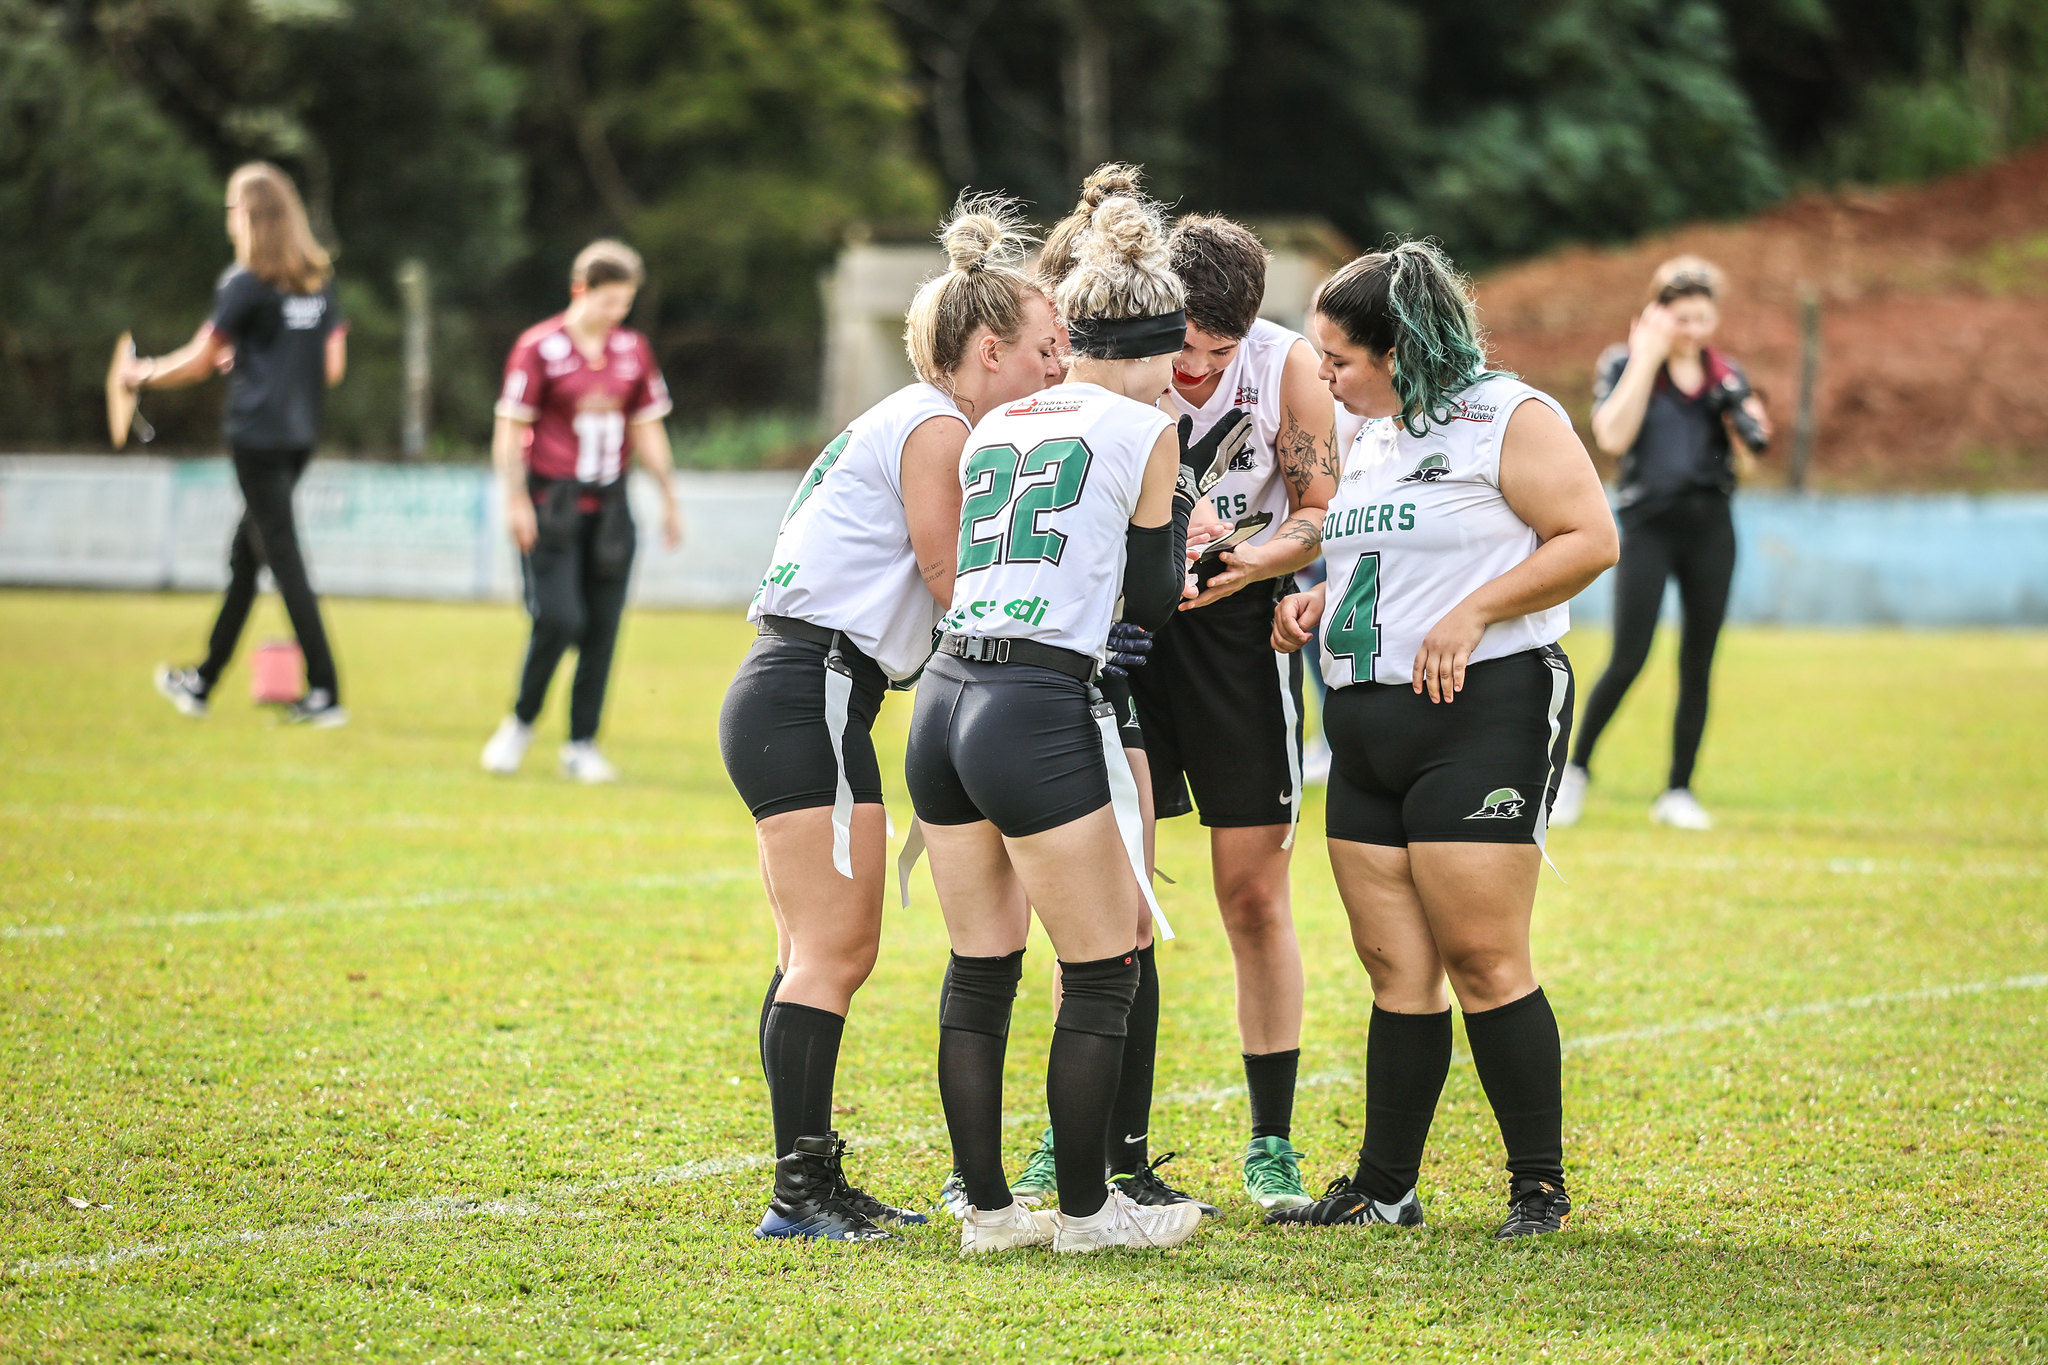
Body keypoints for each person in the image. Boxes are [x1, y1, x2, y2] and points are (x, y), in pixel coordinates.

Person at [718, 198, 1063, 1242]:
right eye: (1046, 350)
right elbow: (948, 573)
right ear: (988, 349)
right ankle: (798, 1192)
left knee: (810, 950)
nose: (1057, 369)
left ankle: (808, 1179)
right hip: (810, 686)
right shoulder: (937, 423)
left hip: (807, 688)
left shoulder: (917, 416)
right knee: (834, 950)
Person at [1267, 241, 1618, 1238]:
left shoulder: (1510, 415)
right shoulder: (1370, 431)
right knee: (1393, 969)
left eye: (1337, 359)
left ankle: (1536, 1188)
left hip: (1481, 710)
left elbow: (1587, 540)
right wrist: (1317, 603)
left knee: (1481, 956)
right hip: (1363, 723)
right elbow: (1387, 553)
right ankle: (1383, 1188)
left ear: (1396, 345)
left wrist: (1470, 615)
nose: (1324, 378)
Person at [905, 187, 1225, 1254]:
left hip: (946, 696)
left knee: (978, 965)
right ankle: (1088, 1213)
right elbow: (1147, 596)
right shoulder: (1148, 427)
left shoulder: (1000, 417)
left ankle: (989, 1212)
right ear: (1166, 344)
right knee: (1099, 967)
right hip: (1037, 704)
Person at [1131, 203, 1340, 1213]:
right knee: (1105, 890)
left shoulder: (1287, 366)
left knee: (1251, 897)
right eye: (1181, 351)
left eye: (1218, 355)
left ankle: (1269, 1143)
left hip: (1235, 632)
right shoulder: (1115, 346)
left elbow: (1315, 512)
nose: (1196, 373)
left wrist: (1245, 560)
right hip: (1125, 629)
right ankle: (1076, 1131)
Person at [1551, 256, 1771, 831]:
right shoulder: (1625, 363)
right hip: (1647, 525)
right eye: (1681, 318)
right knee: (1628, 656)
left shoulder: (1726, 375)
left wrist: (1745, 422)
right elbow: (1612, 436)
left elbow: (1751, 456)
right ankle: (1574, 773)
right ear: (1656, 315)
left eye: (1702, 318)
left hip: (1711, 527)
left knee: (1699, 660)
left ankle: (1678, 789)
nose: (1692, 331)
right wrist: (1647, 358)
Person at [145, 162, 350, 727]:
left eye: (232, 209)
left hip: (257, 439)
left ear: (249, 216)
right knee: (247, 558)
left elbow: (198, 361)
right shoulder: (318, 278)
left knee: (282, 560)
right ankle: (203, 681)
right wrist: (264, 362)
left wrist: (141, 374)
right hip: (300, 438)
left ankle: (326, 691)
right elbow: (330, 366)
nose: (229, 220)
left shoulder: (244, 282)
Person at [478, 241, 681, 783]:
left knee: (603, 628)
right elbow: (510, 428)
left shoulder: (633, 350)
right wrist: (515, 499)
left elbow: (647, 426)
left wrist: (668, 495)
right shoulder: (539, 348)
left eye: (625, 303)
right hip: (553, 503)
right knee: (560, 618)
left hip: (611, 507)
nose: (617, 313)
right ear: (581, 290)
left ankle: (581, 743)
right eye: (609, 301)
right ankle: (520, 723)